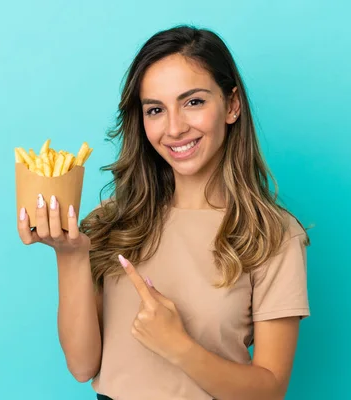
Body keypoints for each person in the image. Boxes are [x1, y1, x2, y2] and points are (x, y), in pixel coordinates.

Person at [17, 25, 311, 400]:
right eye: (155, 109)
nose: (174, 128)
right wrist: (70, 256)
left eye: (193, 102)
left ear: (232, 105)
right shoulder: (110, 221)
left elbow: (268, 390)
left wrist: (178, 347)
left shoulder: (273, 234)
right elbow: (82, 366)